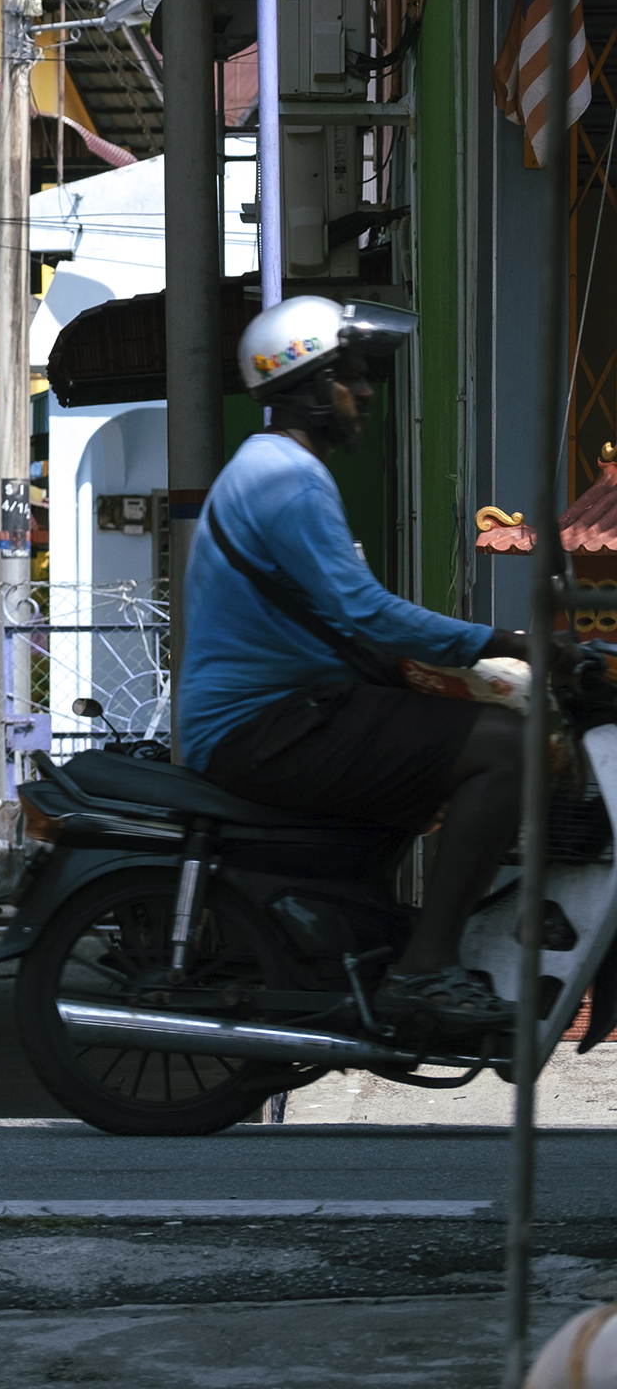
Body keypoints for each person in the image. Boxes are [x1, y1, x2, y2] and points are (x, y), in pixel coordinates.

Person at [179, 294, 532, 1041]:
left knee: (438, 741)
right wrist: (504, 642)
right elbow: (364, 610)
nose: (366, 393)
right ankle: (427, 967)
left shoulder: (271, 466)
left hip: (280, 715)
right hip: (267, 725)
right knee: (503, 750)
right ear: (306, 386)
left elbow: (341, 616)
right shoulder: (289, 479)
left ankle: (378, 950)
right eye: (351, 377)